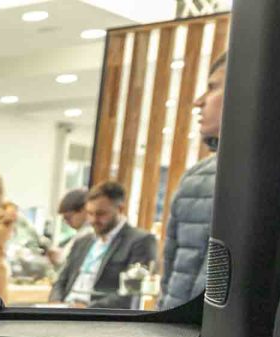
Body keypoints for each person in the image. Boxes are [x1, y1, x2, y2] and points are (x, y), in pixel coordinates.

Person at [162, 51, 226, 308]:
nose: (199, 101)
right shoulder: (193, 178)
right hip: (179, 326)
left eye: (213, 87)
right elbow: (170, 272)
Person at [49, 180, 157, 309]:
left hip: (99, 314)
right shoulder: (82, 242)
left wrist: (88, 309)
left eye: (101, 214)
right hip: (65, 310)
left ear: (120, 209)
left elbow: (131, 294)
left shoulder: (140, 241)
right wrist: (55, 303)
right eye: (90, 213)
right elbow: (61, 280)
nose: (93, 220)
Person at [48, 189, 90, 269]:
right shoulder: (81, 232)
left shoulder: (88, 234)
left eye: (68, 218)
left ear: (84, 210)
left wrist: (58, 257)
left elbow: (69, 261)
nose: (66, 222)